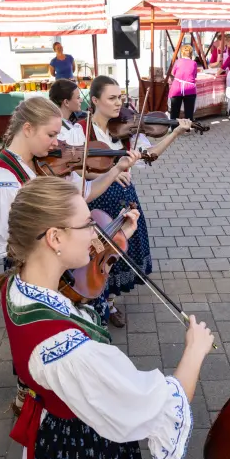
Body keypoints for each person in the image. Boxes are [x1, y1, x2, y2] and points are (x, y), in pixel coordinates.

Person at [0, 176, 214, 459]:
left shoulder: (17, 286)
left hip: (52, 430)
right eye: (86, 225)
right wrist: (195, 351)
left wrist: (118, 238)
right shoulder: (69, 352)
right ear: (54, 237)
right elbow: (159, 405)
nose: (98, 233)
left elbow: (81, 299)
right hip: (82, 450)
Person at [0, 96, 141, 414]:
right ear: (27, 129)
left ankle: (57, 385)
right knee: (38, 336)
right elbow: (10, 247)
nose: (58, 144)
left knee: (63, 334)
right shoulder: (2, 180)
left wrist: (115, 169)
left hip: (57, 261)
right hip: (35, 271)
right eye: (51, 135)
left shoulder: (45, 163)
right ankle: (30, 395)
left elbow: (84, 195)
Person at [63, 76, 191, 326]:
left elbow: (149, 155)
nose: (118, 103)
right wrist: (110, 172)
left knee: (119, 252)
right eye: (111, 98)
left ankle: (109, 303)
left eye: (120, 97)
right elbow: (74, 168)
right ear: (95, 100)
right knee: (97, 253)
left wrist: (175, 132)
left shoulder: (126, 130)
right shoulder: (80, 130)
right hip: (97, 202)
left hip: (124, 200)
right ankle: (94, 299)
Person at [168, 44, 199, 120]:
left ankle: (174, 129)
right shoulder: (194, 63)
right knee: (189, 112)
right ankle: (187, 129)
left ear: (181, 53)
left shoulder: (178, 62)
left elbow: (173, 74)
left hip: (177, 88)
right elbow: (194, 76)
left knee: (174, 112)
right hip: (189, 89)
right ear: (191, 53)